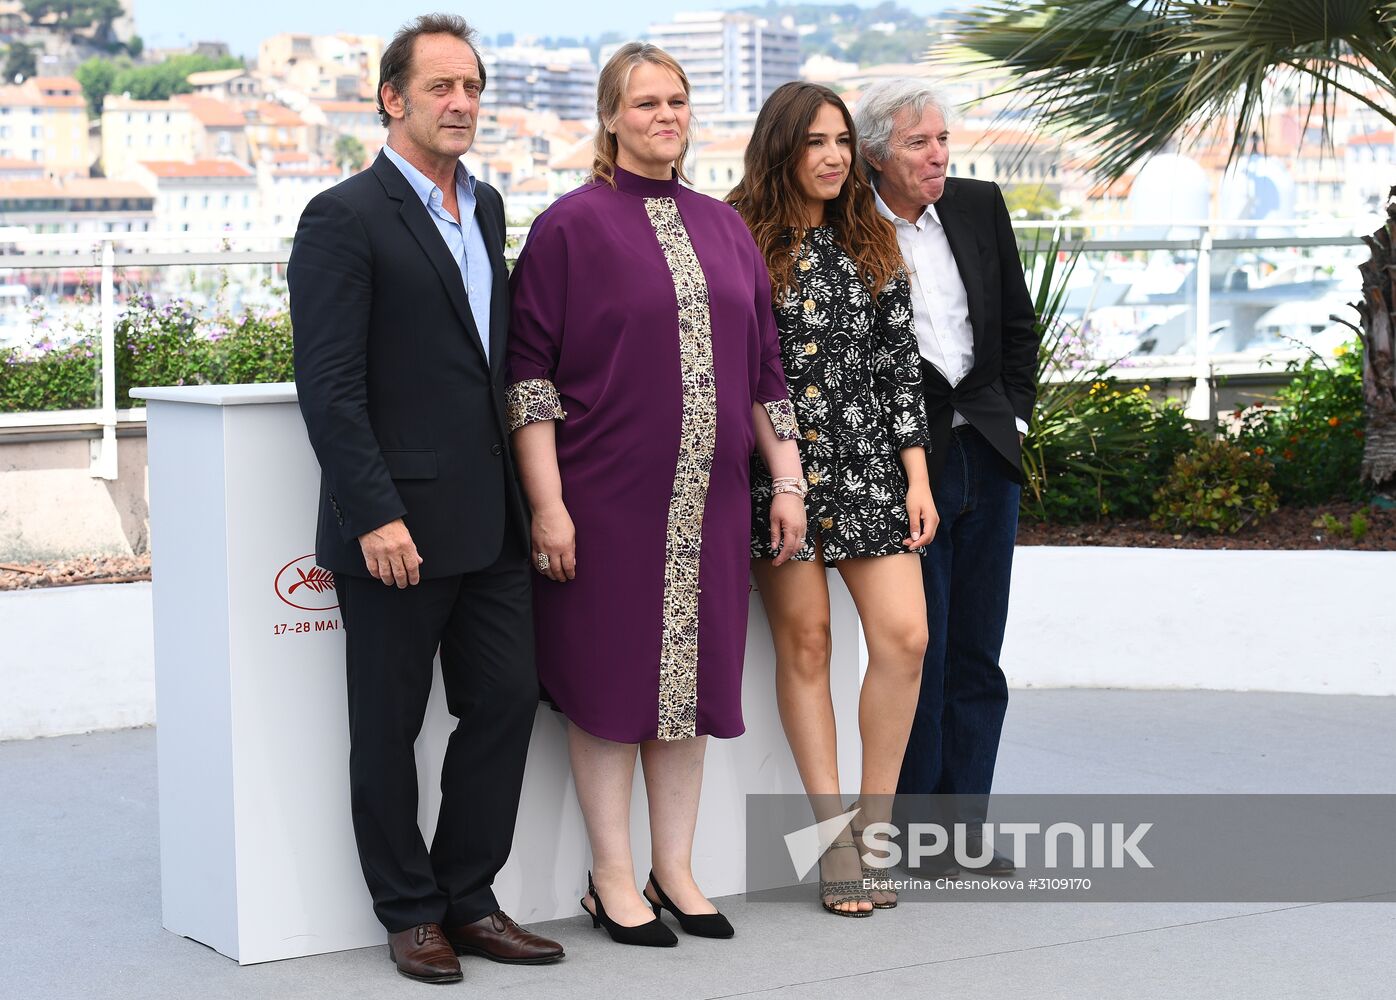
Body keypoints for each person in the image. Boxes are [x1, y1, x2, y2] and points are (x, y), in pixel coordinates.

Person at [506, 42, 805, 947]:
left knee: (690, 689)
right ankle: (608, 878)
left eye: (676, 101)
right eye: (644, 103)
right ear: (610, 117)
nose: (664, 116)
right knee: (609, 686)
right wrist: (548, 506)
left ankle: (673, 869)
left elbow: (764, 371)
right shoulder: (568, 227)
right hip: (603, 505)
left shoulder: (725, 228)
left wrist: (787, 479)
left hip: (709, 506)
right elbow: (529, 380)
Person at [288, 14, 563, 984]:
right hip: (394, 527)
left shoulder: (484, 206)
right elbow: (329, 385)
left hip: (490, 522)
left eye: (473, 87)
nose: (462, 103)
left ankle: (468, 897)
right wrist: (373, 513)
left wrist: (535, 503)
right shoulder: (343, 216)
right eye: (441, 86)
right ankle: (407, 913)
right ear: (391, 99)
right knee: (389, 726)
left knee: (505, 700)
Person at [727, 81, 935, 916]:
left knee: (906, 639)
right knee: (806, 645)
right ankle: (835, 844)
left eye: (843, 141)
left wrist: (916, 476)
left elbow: (898, 368)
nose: (834, 156)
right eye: (815, 141)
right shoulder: (739, 238)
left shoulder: (870, 237)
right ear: (782, 147)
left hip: (872, 468)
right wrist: (782, 476)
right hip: (777, 471)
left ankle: (874, 831)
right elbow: (736, 365)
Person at [853, 79, 1039, 875]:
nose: (938, 155)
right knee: (913, 652)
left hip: (986, 454)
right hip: (905, 465)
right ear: (876, 156)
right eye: (918, 143)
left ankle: (964, 829)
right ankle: (907, 830)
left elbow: (1017, 325)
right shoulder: (846, 223)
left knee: (976, 651)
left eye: (941, 139)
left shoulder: (976, 203)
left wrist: (1016, 418)